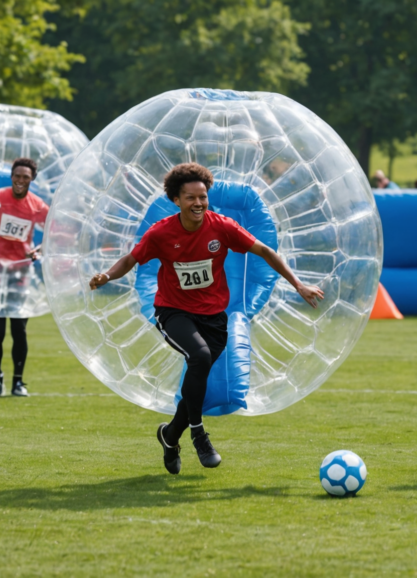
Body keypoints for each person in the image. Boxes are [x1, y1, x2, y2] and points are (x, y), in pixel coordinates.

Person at [89, 163, 324, 474]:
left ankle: (170, 435)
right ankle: (199, 433)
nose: (198, 203)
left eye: (203, 197)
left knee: (198, 374)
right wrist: (107, 275)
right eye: (190, 198)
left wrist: (298, 284)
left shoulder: (221, 226)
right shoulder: (161, 232)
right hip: (173, 312)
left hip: (215, 318)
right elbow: (131, 259)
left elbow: (265, 251)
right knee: (198, 357)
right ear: (176, 199)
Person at [0, 158, 47, 397]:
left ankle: (18, 382)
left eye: (25, 177)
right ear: (11, 176)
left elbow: (57, 230)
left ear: (32, 179)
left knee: (19, 330)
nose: (20, 180)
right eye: (17, 176)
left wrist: (41, 249)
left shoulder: (37, 206)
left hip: (20, 273)